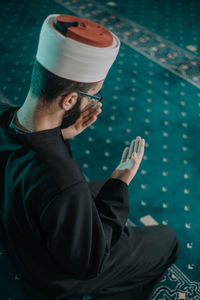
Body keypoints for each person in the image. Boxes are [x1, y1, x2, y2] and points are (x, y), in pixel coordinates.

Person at [0, 14, 179, 300]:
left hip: (17, 232)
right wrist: (120, 182)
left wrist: (62, 135)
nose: (94, 102)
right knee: (167, 240)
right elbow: (88, 263)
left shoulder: (5, 115)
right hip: (48, 275)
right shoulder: (61, 178)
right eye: (94, 95)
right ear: (69, 100)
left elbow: (24, 161)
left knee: (91, 193)